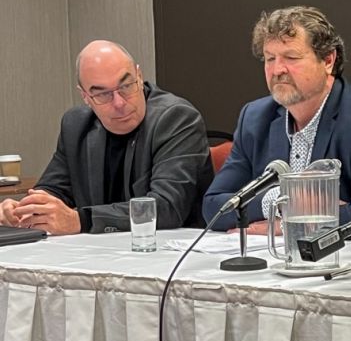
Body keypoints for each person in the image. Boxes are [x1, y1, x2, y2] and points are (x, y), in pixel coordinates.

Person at [202, 6, 351, 231]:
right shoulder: (255, 117)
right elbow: (214, 208)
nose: (277, 69)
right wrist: (283, 201)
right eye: (269, 59)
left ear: (328, 60)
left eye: (291, 57)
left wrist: (284, 228)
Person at [0, 40, 213, 235]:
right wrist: (27, 208)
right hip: (97, 253)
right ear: (85, 96)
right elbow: (54, 188)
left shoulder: (176, 119)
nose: (119, 103)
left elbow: (166, 207)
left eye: (126, 86)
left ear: (139, 77)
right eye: (102, 94)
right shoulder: (76, 125)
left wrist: (80, 220)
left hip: (169, 253)